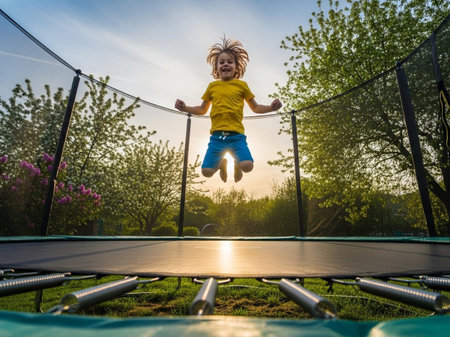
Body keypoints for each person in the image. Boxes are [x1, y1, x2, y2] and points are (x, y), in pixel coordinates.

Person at [175, 37, 282, 183]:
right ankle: (221, 163)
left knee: (248, 166)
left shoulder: (242, 86)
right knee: (206, 172)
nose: (226, 64)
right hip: (217, 138)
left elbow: (255, 107)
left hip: (236, 136)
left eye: (230, 62)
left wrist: (271, 107)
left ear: (236, 67)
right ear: (216, 68)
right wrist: (185, 108)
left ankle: (238, 163)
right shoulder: (212, 87)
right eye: (222, 62)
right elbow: (202, 109)